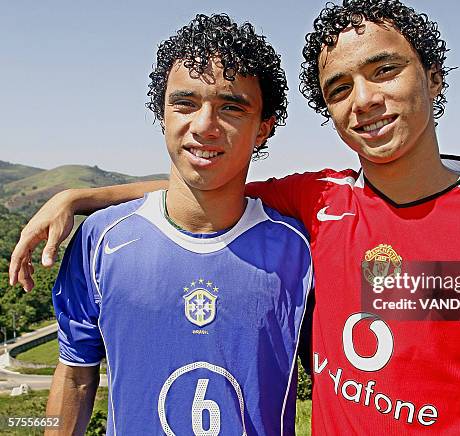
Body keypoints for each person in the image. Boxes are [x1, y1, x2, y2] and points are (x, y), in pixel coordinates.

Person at [11, 1, 460, 434]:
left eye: (384, 70)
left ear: (432, 76)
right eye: (340, 87)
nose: (365, 100)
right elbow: (210, 181)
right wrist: (81, 197)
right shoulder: (322, 203)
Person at [39, 13, 312, 435]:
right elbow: (75, 374)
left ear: (263, 129)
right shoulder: (99, 240)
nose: (204, 126)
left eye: (231, 108)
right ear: (162, 114)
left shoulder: (300, 248)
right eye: (185, 103)